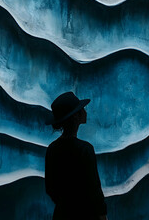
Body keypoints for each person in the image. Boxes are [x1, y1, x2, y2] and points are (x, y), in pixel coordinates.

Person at [45, 92, 108, 220]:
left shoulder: (52, 149)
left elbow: (50, 188)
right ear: (75, 117)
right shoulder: (85, 149)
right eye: (81, 109)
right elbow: (94, 189)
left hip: (62, 214)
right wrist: (102, 215)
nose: (84, 111)